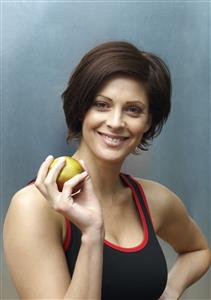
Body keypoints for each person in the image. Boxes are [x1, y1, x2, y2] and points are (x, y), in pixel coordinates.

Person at [3, 41, 210, 300]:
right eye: (102, 104)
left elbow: (198, 251)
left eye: (133, 109)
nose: (115, 122)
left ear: (148, 121)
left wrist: (169, 292)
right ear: (81, 110)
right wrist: (92, 234)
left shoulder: (154, 200)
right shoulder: (35, 207)